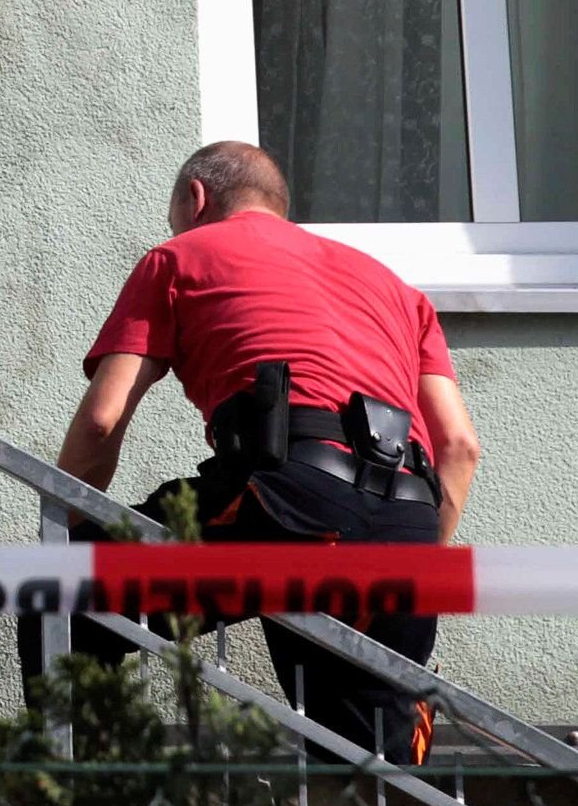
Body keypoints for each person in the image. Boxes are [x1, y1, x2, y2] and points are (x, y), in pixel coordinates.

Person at [44, 140, 481, 759]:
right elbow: (459, 447)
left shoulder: (180, 256)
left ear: (196, 198)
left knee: (64, 593)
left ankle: (65, 798)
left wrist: (64, 525)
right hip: (406, 517)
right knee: (368, 761)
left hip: (289, 492)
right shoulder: (397, 290)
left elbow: (101, 419)